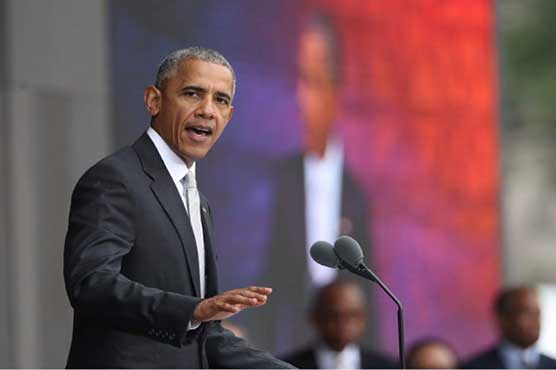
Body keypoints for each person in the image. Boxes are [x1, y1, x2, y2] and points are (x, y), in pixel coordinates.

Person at [63, 47, 294, 368]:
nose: (207, 110)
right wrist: (193, 310)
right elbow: (91, 285)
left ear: (229, 117)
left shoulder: (197, 201)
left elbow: (203, 336)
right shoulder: (117, 179)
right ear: (153, 101)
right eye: (192, 93)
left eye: (221, 100)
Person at [260, 11, 371, 354]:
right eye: (301, 79)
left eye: (316, 80)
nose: (302, 96)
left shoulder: (358, 193)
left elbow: (372, 291)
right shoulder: (283, 181)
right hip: (292, 347)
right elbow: (269, 277)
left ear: (336, 88)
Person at [280, 279, 395, 369]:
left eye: (352, 315)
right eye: (334, 315)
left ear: (364, 318)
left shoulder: (389, 367)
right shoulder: (285, 366)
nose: (343, 323)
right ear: (315, 317)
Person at [461, 286, 556, 369]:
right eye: (526, 313)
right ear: (503, 318)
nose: (535, 321)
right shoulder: (473, 366)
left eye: (537, 313)